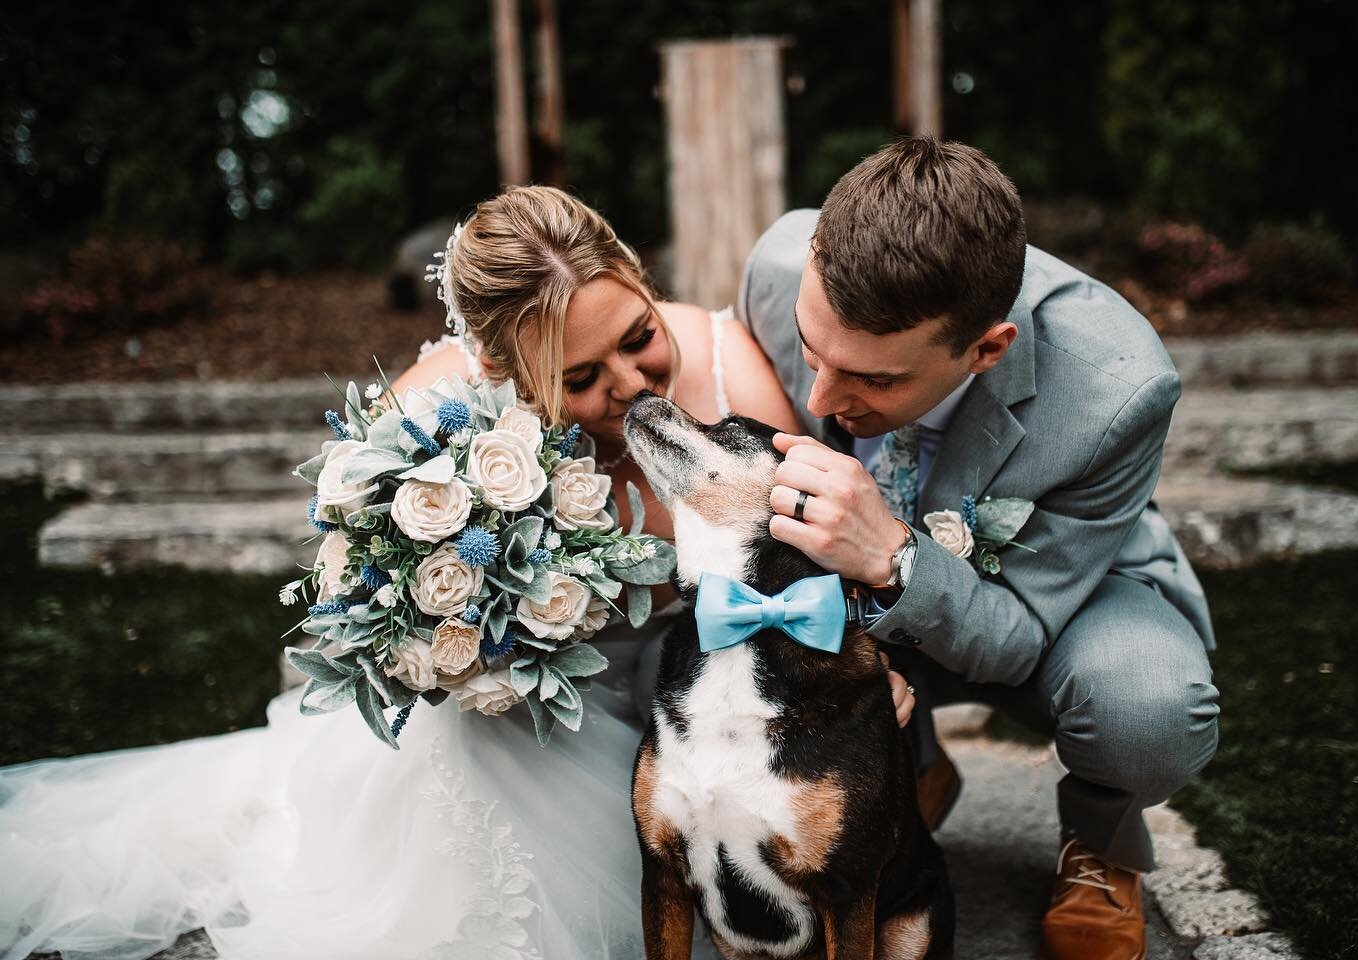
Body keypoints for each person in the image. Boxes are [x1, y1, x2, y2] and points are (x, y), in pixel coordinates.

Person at [0, 185, 916, 960]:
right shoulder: (441, 428)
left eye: (638, 335)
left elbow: (810, 555)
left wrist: (861, 655)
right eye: (581, 376)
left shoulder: (727, 381)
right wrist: (457, 643)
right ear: (500, 368)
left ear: (641, 275)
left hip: (710, 699)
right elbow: (355, 598)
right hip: (544, 727)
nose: (634, 386)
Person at [738, 137, 1221, 960]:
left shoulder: (1117, 384)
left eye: (875, 380)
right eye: (813, 352)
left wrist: (893, 558)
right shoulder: (778, 266)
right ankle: (911, 769)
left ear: (987, 348)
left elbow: (1021, 632)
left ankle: (1101, 849)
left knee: (1150, 713)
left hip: (1055, 590)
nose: (822, 398)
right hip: (846, 587)